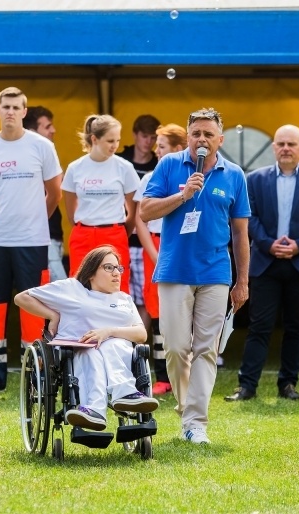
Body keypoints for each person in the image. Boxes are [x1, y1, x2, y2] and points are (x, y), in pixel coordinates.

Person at [140, 108, 250, 445]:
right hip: (175, 270)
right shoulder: (168, 166)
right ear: (188, 137)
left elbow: (241, 233)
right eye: (196, 133)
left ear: (220, 139)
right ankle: (187, 406)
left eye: (208, 134)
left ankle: (195, 422)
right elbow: (145, 211)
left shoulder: (235, 175)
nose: (202, 139)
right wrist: (183, 195)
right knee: (175, 348)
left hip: (216, 272)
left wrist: (242, 281)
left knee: (206, 350)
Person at [224, 125, 299, 403]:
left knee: (296, 327)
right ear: (273, 148)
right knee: (259, 326)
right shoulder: (255, 179)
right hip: (265, 262)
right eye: (281, 143)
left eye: (291, 144)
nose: (285, 148)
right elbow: (248, 217)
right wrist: (268, 243)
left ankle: (288, 384)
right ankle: (247, 386)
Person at [14, 245, 159, 430]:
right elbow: (21, 298)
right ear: (91, 273)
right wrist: (53, 315)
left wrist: (108, 332)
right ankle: (94, 410)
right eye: (109, 267)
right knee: (91, 351)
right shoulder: (71, 288)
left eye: (118, 268)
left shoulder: (124, 299)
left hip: (119, 353)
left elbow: (141, 334)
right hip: (80, 354)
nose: (116, 273)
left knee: (111, 344)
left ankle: (126, 394)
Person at [0, 88, 63, 392]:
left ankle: (35, 375)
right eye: (6, 106)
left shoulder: (42, 146)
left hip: (32, 242)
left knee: (32, 310)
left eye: (16, 107)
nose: (11, 112)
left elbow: (55, 193)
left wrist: (36, 220)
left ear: (24, 112)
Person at [132, 123, 188, 395]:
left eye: (162, 146)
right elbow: (139, 221)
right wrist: (155, 255)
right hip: (155, 246)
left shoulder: (192, 177)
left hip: (183, 244)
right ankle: (162, 376)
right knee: (156, 310)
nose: (156, 150)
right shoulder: (150, 178)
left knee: (184, 307)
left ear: (178, 149)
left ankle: (185, 372)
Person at [61, 114, 139, 294]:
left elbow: (133, 211)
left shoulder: (124, 167)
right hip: (83, 234)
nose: (115, 145)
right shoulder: (75, 168)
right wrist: (85, 228)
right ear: (94, 139)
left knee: (117, 285)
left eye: (117, 140)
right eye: (110, 141)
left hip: (114, 234)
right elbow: (71, 212)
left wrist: (119, 232)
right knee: (79, 286)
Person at [119, 114, 161, 329]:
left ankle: (145, 342)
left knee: (146, 296)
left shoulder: (159, 164)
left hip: (149, 239)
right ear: (135, 134)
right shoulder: (120, 161)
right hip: (121, 236)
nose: (149, 142)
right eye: (145, 136)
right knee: (123, 295)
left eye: (153, 138)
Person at [23, 105, 67, 282]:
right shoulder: (28, 160)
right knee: (61, 290)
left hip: (53, 235)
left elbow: (57, 192)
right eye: (47, 126)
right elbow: (55, 194)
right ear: (32, 131)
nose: (53, 130)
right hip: (39, 237)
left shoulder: (46, 154)